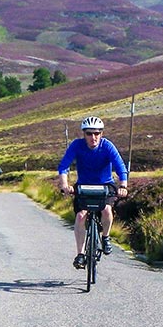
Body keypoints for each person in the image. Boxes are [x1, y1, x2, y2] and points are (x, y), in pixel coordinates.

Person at [58, 115, 129, 269]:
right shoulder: (77, 145)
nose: (93, 137)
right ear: (84, 134)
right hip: (84, 185)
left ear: (101, 134)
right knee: (81, 215)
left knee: (106, 210)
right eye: (89, 133)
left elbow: (120, 167)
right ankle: (80, 254)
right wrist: (65, 185)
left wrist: (123, 185)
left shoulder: (107, 146)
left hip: (105, 185)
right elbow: (64, 166)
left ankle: (105, 237)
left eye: (97, 133)